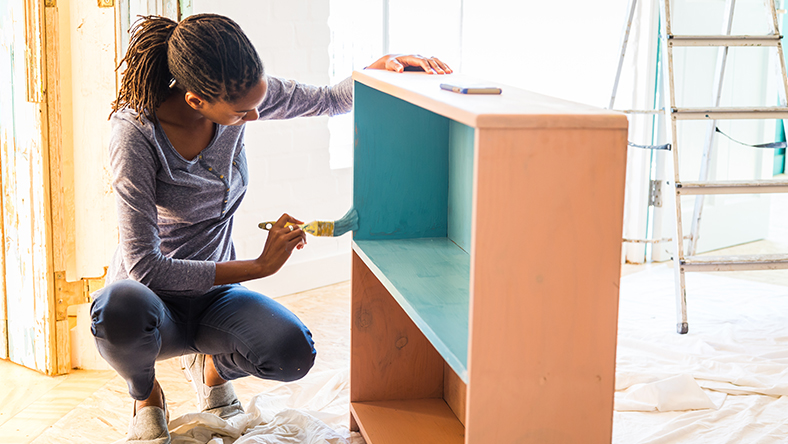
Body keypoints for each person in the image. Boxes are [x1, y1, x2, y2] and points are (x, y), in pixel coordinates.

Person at [90, 13, 451, 444]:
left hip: (212, 298)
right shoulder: (135, 136)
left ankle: (212, 369)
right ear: (196, 102)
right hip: (150, 303)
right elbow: (147, 267)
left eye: (257, 101)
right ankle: (146, 395)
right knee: (117, 308)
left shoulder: (237, 95)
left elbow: (327, 99)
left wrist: (377, 70)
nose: (256, 115)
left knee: (293, 352)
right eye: (243, 112)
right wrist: (259, 267)